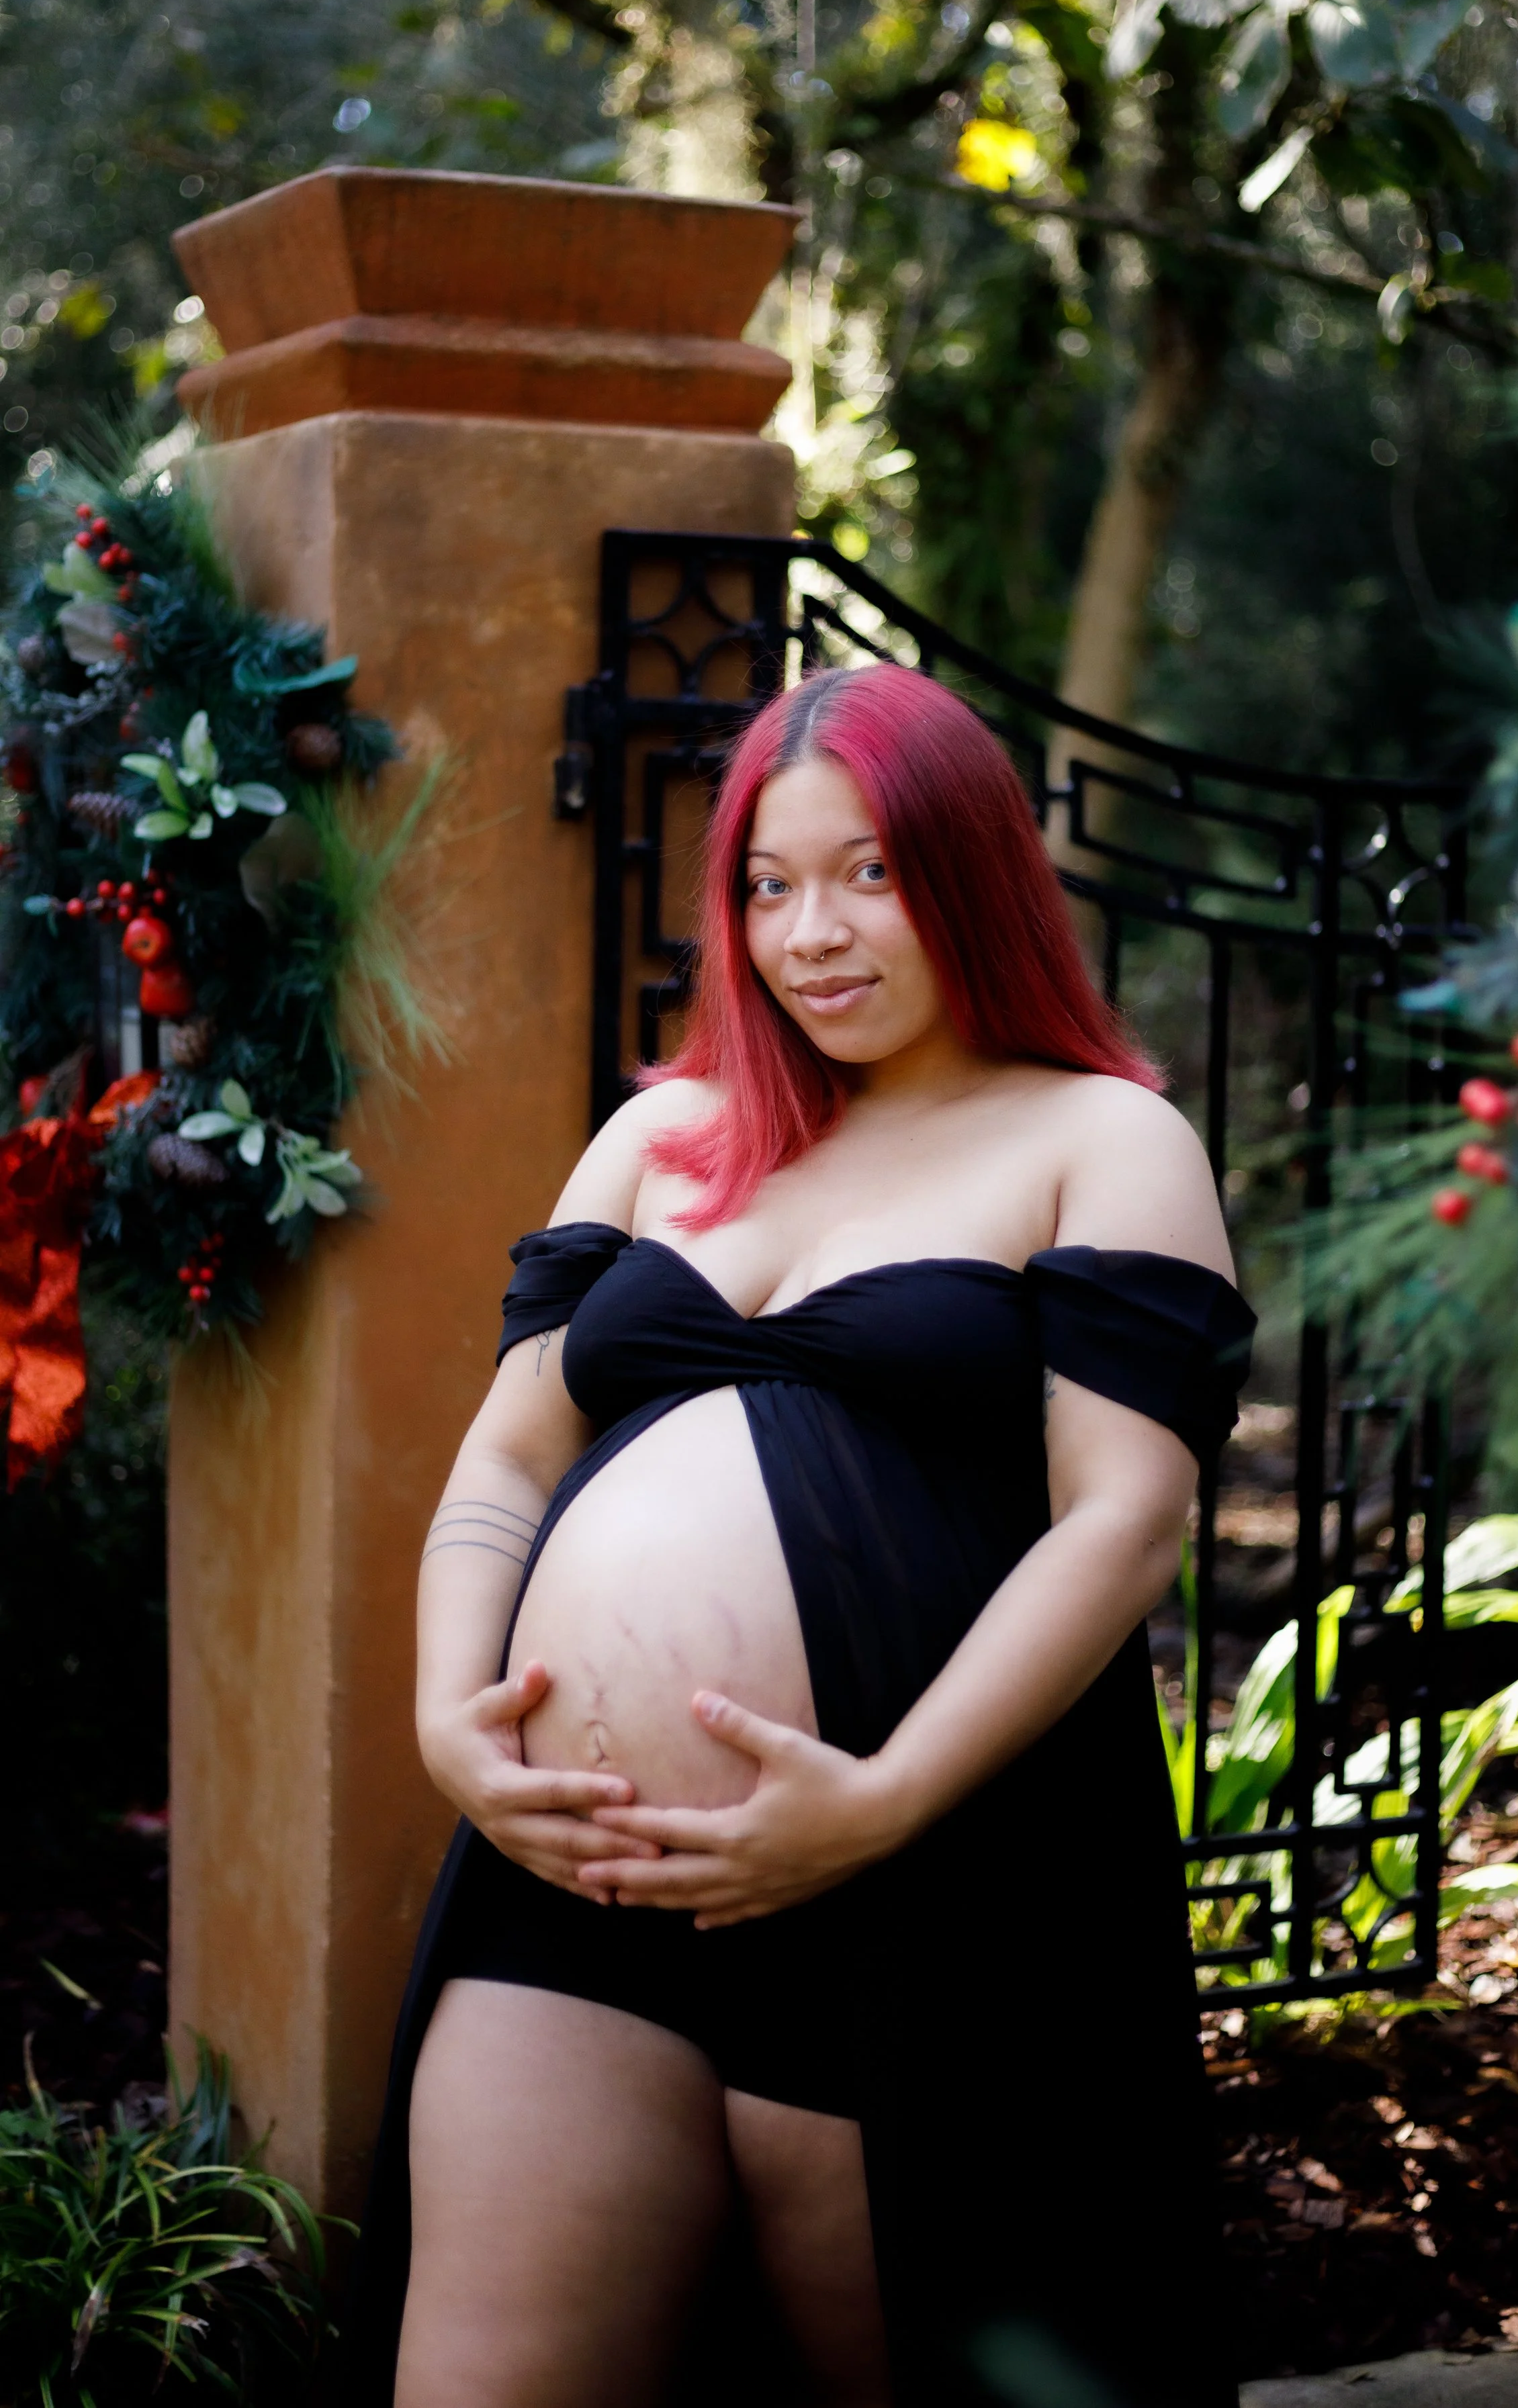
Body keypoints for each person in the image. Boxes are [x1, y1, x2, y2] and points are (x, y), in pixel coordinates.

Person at [341, 661, 1255, 2408]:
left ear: (970, 872)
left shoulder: (1099, 1139)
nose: (809, 931)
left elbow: (1124, 1521)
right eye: (766, 882)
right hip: (579, 1884)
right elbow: (507, 1458)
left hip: (923, 1895)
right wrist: (447, 1715)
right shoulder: (658, 1139)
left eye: (866, 874)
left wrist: (882, 1797)